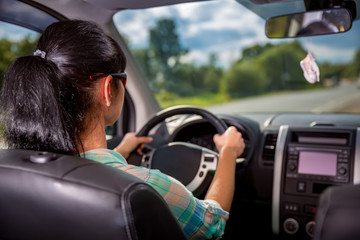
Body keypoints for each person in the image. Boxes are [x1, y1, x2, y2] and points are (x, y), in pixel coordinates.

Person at [0, 20, 245, 239]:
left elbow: (83, 168)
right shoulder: (144, 189)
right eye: (122, 79)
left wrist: (120, 150)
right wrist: (228, 154)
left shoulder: (11, 171)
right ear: (108, 89)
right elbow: (212, 224)